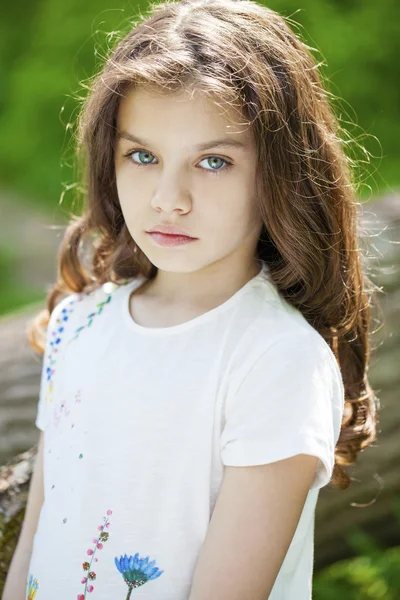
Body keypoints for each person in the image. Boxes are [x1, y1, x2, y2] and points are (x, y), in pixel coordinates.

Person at [3, 0, 379, 598]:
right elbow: (36, 540)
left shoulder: (275, 359)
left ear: (282, 174)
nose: (168, 198)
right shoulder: (79, 321)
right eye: (144, 156)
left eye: (213, 161)